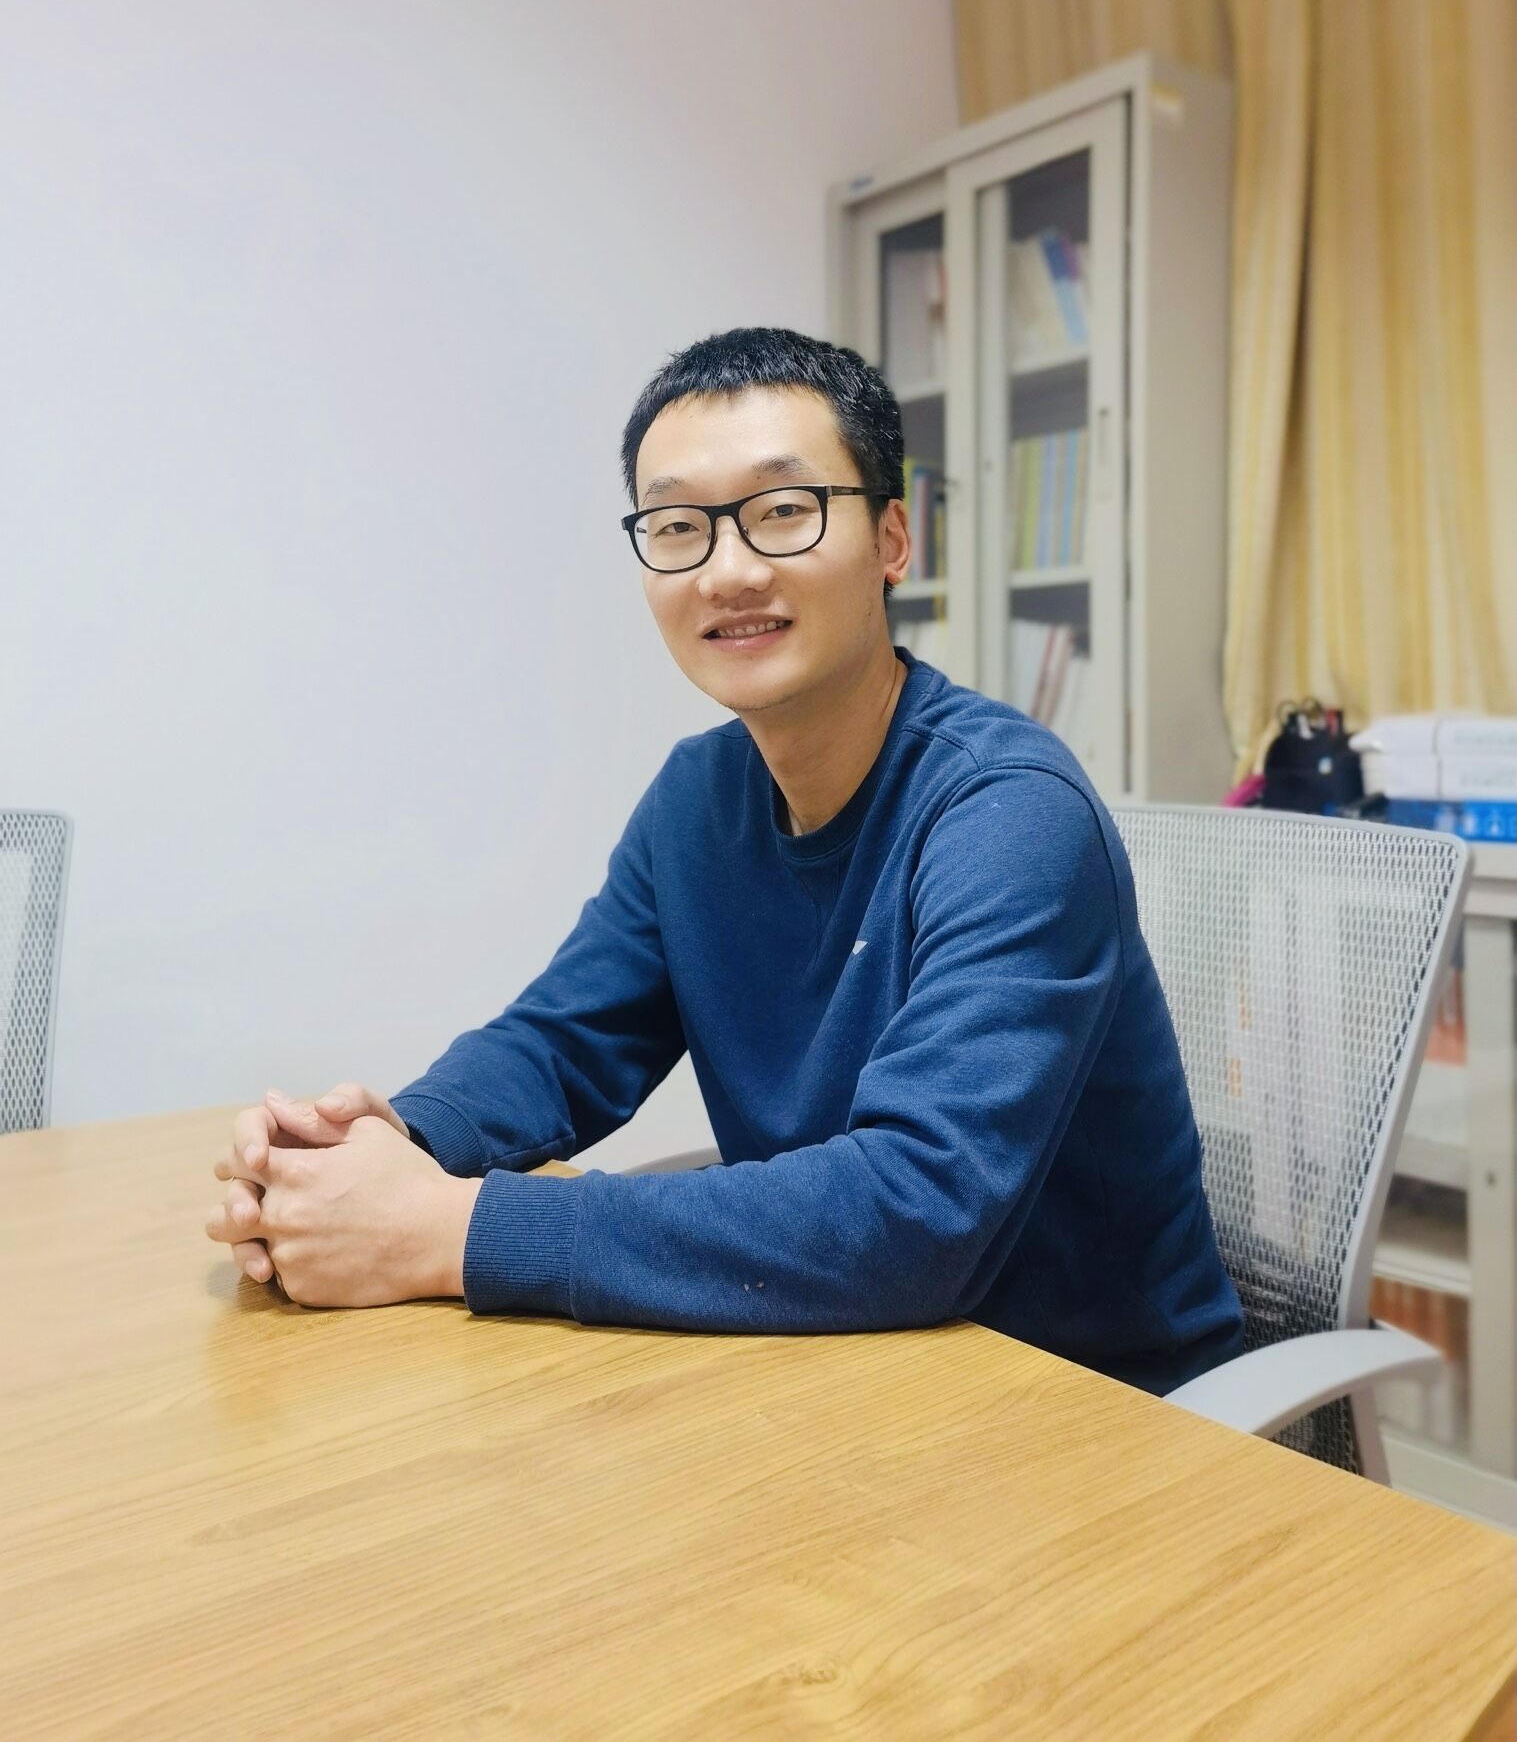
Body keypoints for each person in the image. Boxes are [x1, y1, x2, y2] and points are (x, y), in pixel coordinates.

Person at [206, 327, 1244, 1394]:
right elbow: (561, 1043)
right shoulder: (696, 800)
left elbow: (918, 1208)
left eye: (783, 510)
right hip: (853, 1368)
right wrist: (383, 1149)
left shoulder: (1008, 812)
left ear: (892, 538)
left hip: (1092, 1406)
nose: (728, 570)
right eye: (677, 526)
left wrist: (445, 1229)